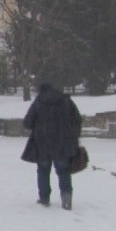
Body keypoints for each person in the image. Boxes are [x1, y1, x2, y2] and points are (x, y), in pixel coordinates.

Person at [22, 81, 82, 210]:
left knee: (43, 171)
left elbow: (27, 123)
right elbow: (77, 120)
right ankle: (66, 197)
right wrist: (73, 135)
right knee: (64, 171)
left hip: (42, 143)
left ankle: (44, 198)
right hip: (63, 143)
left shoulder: (39, 103)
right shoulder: (66, 101)